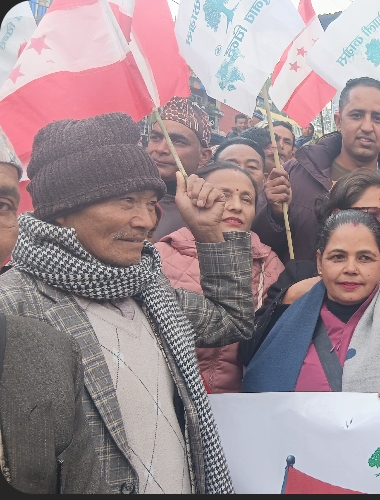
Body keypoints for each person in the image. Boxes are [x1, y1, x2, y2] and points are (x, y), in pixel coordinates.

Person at [0, 113, 255, 494]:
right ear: (62, 210)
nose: (145, 220)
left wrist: (208, 234)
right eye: (126, 201)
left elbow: (231, 320)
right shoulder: (14, 308)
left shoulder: (149, 289)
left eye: (151, 202)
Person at [242, 210, 380, 395]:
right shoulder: (283, 326)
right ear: (319, 262)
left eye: (365, 258)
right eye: (338, 257)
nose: (351, 269)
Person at [0, 128, 106, 494]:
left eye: (2, 205)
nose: (142, 219)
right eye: (126, 200)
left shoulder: (49, 352)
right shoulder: (17, 295)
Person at [240, 169, 380, 364]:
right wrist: (288, 300)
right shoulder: (298, 276)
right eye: (372, 214)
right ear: (337, 215)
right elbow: (249, 352)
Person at [252, 77, 380, 262]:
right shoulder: (292, 175)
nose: (367, 127)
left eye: (377, 118)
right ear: (339, 121)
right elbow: (258, 248)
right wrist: (274, 216)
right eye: (356, 115)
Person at [156, 162, 283, 394]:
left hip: (241, 403)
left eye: (247, 199)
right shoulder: (160, 255)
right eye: (222, 196)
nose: (236, 206)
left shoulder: (271, 264)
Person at [147, 96, 213, 240]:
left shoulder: (211, 207)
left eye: (178, 141)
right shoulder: (119, 194)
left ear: (203, 156)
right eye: (156, 138)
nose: (161, 149)